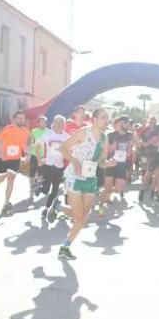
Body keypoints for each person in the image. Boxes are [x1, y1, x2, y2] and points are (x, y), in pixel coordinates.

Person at [59, 108, 115, 260]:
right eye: (104, 117)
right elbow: (62, 148)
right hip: (74, 177)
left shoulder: (105, 138)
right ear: (95, 120)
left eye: (107, 117)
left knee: (83, 218)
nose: (107, 120)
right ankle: (59, 208)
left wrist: (108, 164)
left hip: (90, 179)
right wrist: (75, 162)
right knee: (79, 217)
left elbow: (101, 162)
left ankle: (65, 247)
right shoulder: (84, 132)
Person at [0, 111, 30, 216]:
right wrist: (2, 153)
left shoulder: (26, 131)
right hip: (4, 158)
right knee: (1, 179)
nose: (21, 120)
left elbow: (23, 144)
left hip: (15, 159)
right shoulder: (8, 129)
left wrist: (26, 155)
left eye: (23, 119)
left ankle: (6, 202)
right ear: (15, 119)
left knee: (11, 179)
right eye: (19, 118)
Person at [35, 115, 70, 221]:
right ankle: (39, 187)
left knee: (55, 190)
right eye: (56, 122)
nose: (58, 124)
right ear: (53, 124)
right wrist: (39, 160)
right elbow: (37, 147)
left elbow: (73, 150)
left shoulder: (67, 137)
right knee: (46, 189)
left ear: (64, 125)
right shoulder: (47, 135)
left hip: (59, 166)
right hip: (48, 164)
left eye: (61, 122)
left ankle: (46, 208)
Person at [102, 115, 136, 209]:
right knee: (108, 186)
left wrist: (130, 149)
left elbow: (135, 144)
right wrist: (111, 147)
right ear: (120, 123)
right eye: (126, 123)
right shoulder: (110, 135)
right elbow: (103, 150)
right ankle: (106, 197)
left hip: (122, 164)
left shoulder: (129, 135)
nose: (128, 125)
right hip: (111, 163)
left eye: (129, 123)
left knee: (119, 189)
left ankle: (107, 191)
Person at [27, 115, 50, 197]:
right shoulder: (33, 131)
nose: (43, 123)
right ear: (38, 123)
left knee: (42, 174)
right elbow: (29, 142)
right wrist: (27, 154)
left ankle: (38, 186)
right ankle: (31, 189)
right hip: (34, 155)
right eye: (41, 122)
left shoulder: (49, 132)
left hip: (44, 156)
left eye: (44, 122)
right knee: (32, 173)